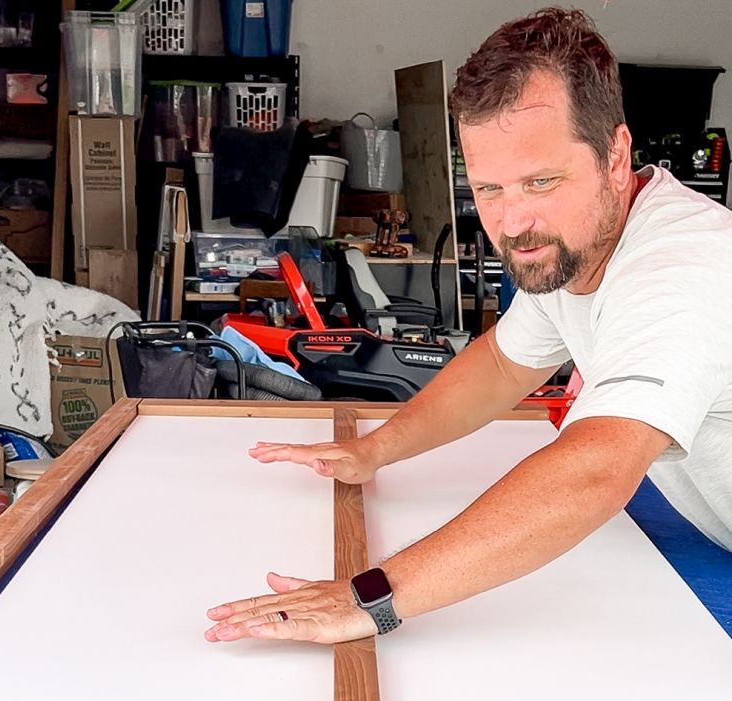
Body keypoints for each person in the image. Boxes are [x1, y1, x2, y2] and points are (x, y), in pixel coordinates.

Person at [205, 6, 732, 647]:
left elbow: (599, 468)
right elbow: (504, 365)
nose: (512, 224)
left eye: (541, 181)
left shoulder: (681, 267)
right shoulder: (574, 245)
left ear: (616, 156)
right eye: (489, 188)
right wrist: (377, 450)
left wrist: (371, 597)